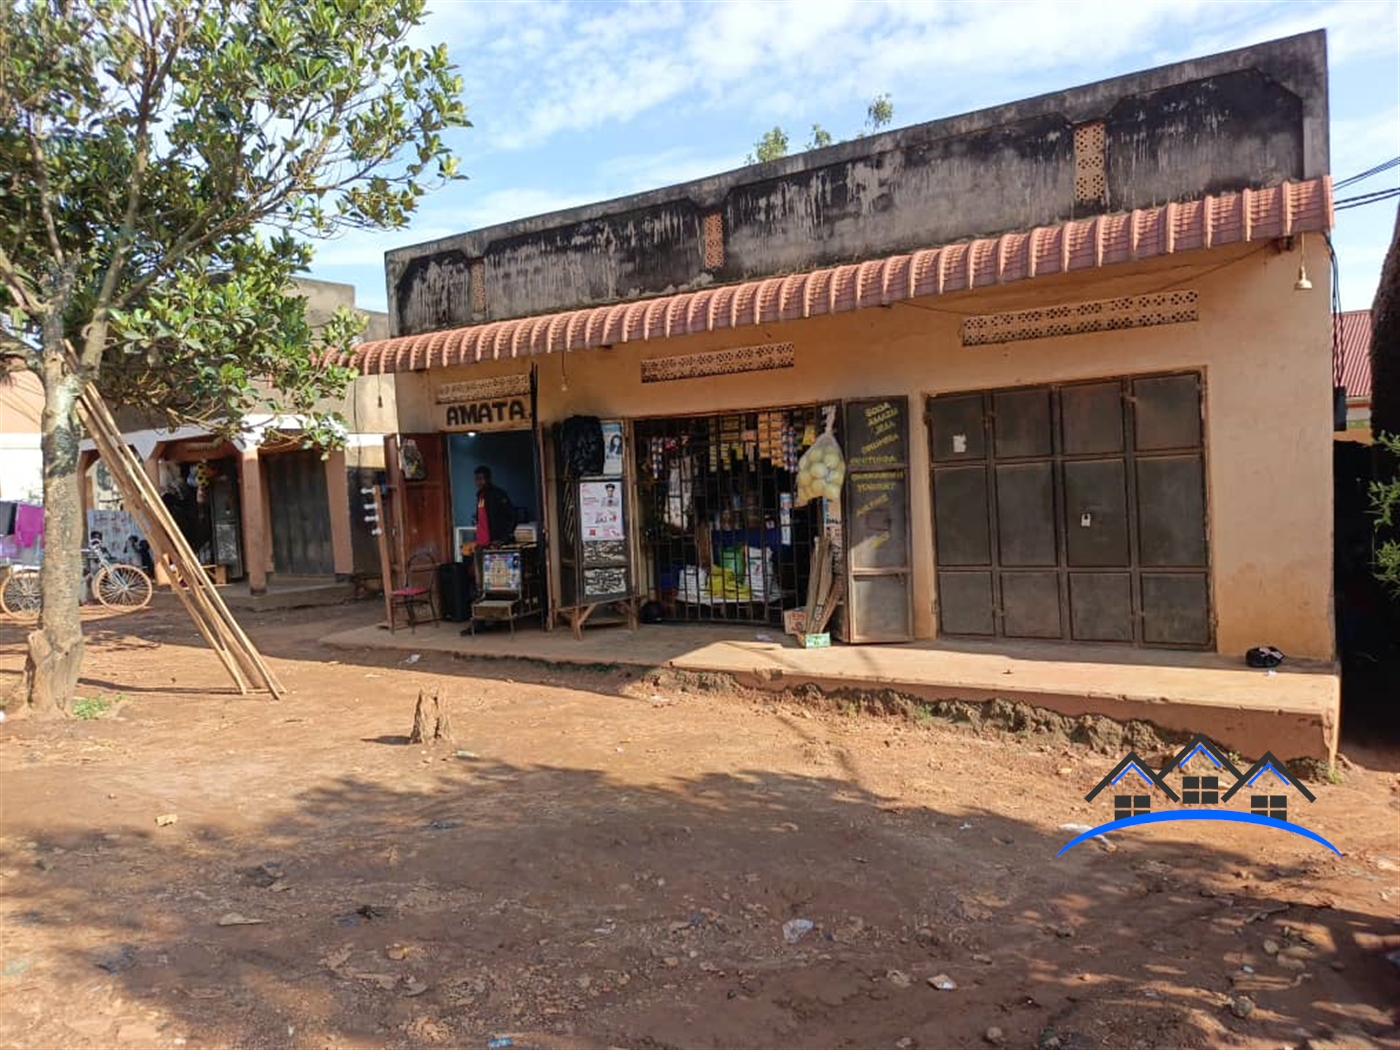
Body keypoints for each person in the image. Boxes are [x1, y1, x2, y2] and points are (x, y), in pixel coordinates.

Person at [474, 466, 514, 548]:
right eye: (477, 479)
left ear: (488, 479)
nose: (478, 482)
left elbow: (513, 516)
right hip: (482, 543)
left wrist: (503, 538)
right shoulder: (480, 495)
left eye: (481, 479)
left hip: (495, 543)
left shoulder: (498, 494)